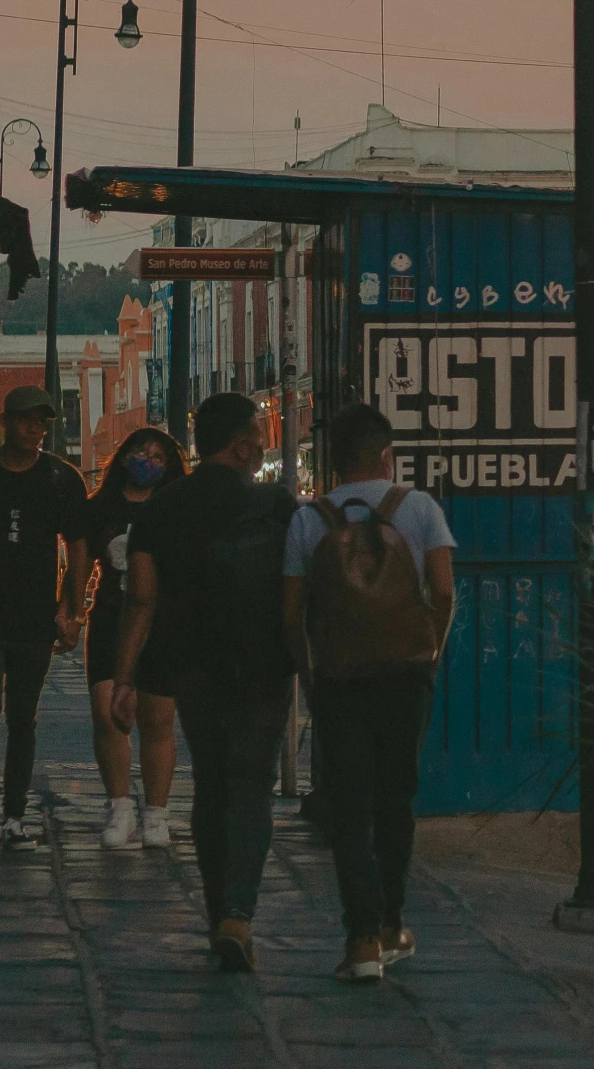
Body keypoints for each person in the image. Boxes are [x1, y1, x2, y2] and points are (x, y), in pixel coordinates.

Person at [113, 393, 297, 973]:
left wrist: (124, 678)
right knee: (251, 787)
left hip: (191, 665)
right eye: (260, 434)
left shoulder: (160, 509)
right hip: (263, 665)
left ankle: (220, 913)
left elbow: (141, 599)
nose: (264, 444)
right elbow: (296, 593)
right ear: (241, 443)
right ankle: (238, 916)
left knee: (212, 784)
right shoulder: (276, 506)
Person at [281, 402, 456, 983]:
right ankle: (392, 923)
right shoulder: (421, 508)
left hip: (339, 679)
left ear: (334, 461)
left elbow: (291, 611)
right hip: (405, 674)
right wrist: (430, 647)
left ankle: (360, 942)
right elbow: (444, 590)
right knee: (394, 798)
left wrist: (310, 674)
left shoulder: (309, 519)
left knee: (350, 806)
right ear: (387, 454)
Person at [0, 385, 90, 849]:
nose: (34, 429)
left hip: (35, 616)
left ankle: (14, 812)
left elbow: (79, 547)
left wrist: (71, 608)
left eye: (41, 421)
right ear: (5, 421)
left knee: (23, 715)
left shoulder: (61, 478)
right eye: (25, 419)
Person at [67, 428, 187, 850]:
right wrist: (73, 613)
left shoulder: (176, 507)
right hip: (110, 620)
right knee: (108, 714)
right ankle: (120, 806)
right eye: (141, 451)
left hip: (163, 622)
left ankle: (156, 812)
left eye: (158, 456)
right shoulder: (99, 508)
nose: (148, 461)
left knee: (157, 719)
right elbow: (80, 565)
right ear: (123, 457)